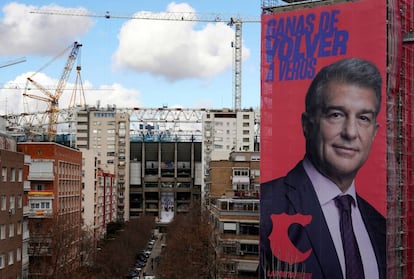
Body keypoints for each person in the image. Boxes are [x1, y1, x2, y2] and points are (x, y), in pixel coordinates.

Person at [259, 58, 386, 279]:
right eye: (336, 115)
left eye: (363, 118)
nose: (350, 132)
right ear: (307, 125)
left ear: (374, 132)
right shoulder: (266, 206)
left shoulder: (380, 226)